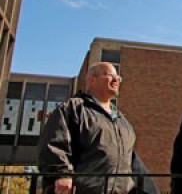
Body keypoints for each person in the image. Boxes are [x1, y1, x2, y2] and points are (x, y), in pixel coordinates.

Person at [37, 62, 152, 194]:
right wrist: (61, 175)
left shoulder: (123, 122)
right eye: (110, 75)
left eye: (118, 77)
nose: (116, 80)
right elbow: (53, 145)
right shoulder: (72, 109)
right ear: (92, 80)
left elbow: (132, 163)